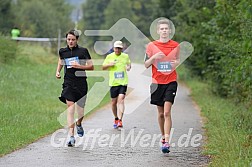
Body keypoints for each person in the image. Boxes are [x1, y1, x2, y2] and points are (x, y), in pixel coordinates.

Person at [144, 18, 180, 153]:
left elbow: (177, 60)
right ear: (158, 31)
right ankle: (163, 138)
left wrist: (174, 64)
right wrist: (154, 57)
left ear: (170, 31)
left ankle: (167, 141)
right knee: (160, 114)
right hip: (157, 82)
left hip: (171, 81)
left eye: (166, 29)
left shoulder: (175, 45)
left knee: (166, 112)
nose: (164, 31)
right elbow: (146, 64)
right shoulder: (151, 46)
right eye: (162, 29)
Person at [55, 29, 94, 147]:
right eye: (68, 39)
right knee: (70, 108)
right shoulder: (63, 51)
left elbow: (91, 66)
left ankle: (79, 124)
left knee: (81, 112)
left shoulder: (83, 51)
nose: (70, 42)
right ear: (66, 40)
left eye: (73, 40)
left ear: (77, 40)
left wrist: (80, 66)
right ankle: (71, 136)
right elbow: (61, 61)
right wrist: (57, 71)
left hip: (81, 83)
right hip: (68, 83)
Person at [102, 41, 131, 129]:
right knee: (113, 102)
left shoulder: (125, 56)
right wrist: (109, 64)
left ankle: (120, 120)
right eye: (116, 48)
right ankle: (116, 118)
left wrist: (128, 67)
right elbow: (103, 67)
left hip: (123, 82)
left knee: (121, 100)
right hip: (113, 83)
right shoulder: (109, 56)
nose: (117, 50)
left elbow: (129, 65)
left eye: (119, 48)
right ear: (113, 48)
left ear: (122, 49)